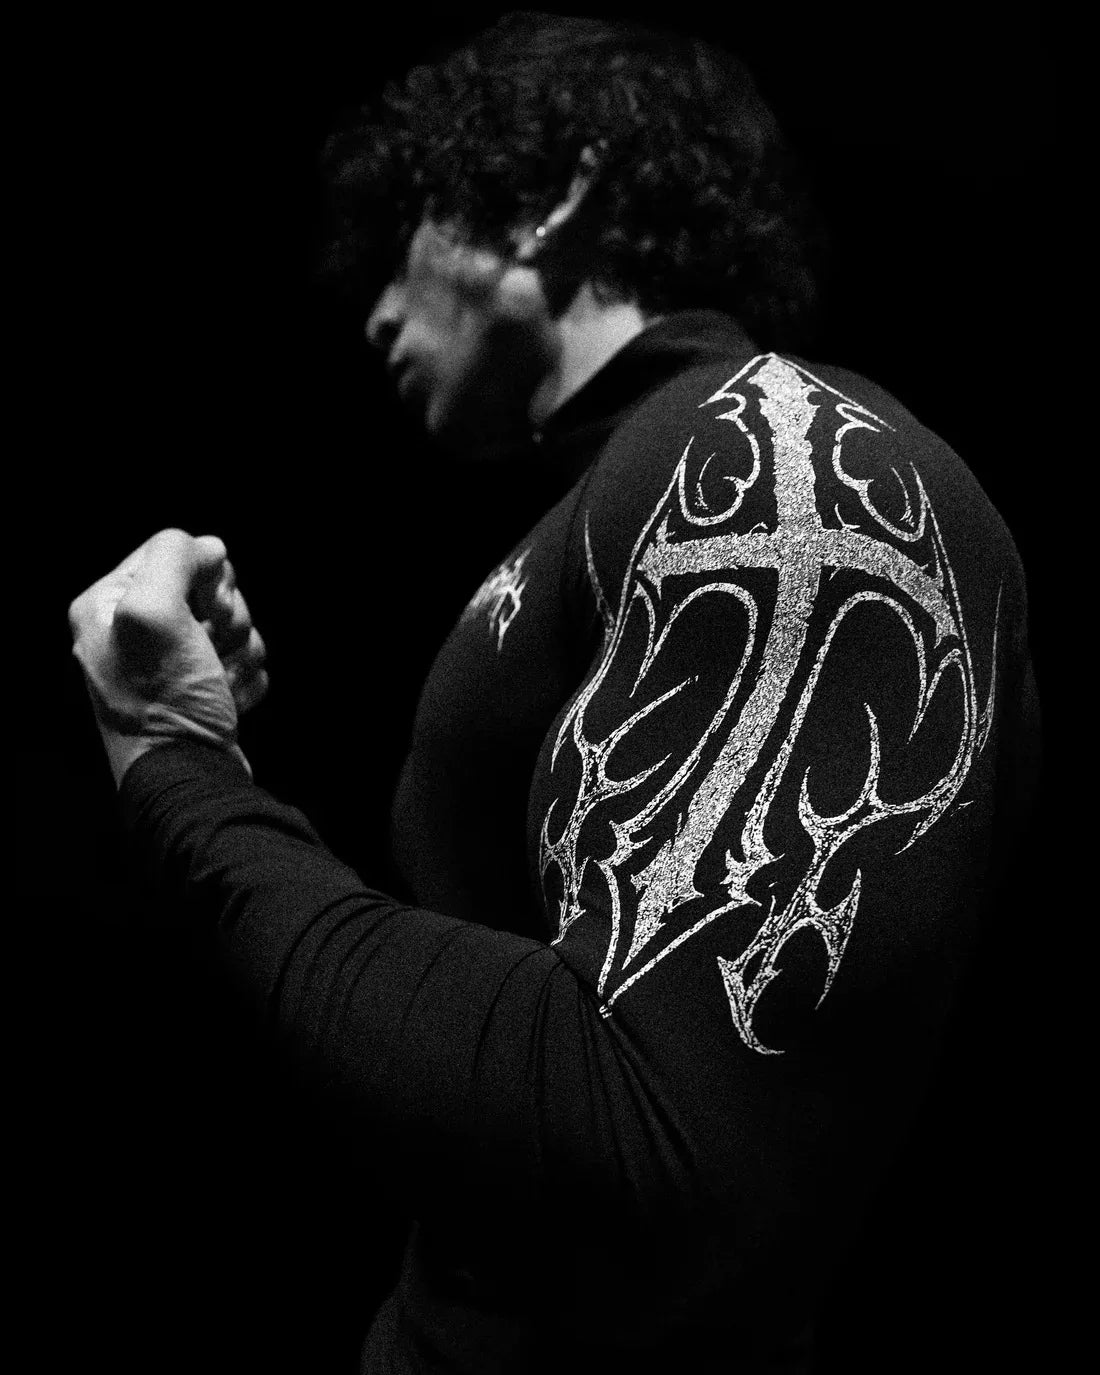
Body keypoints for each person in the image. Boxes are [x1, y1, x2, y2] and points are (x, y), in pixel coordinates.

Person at [69, 12, 1041, 1374]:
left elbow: (644, 1148)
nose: (375, 310)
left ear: (551, 198)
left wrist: (174, 765)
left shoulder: (793, 460)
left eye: (405, 235)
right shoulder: (605, 511)